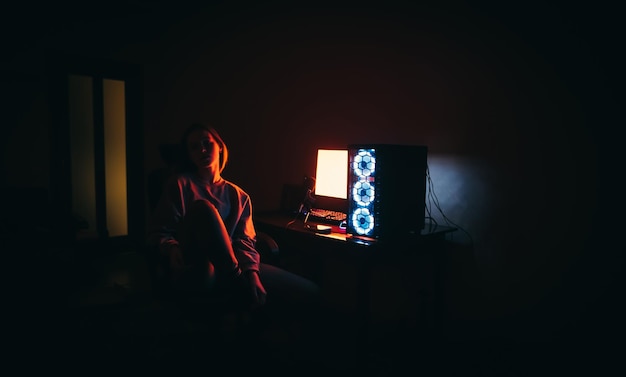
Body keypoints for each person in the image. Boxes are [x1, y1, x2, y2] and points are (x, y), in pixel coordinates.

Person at [147, 122, 322, 351]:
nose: (201, 150)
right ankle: (238, 285)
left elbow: (245, 241)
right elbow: (159, 231)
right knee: (203, 208)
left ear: (220, 147)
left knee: (310, 291)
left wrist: (253, 274)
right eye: (193, 147)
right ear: (188, 155)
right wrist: (170, 248)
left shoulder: (238, 195)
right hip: (196, 265)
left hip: (232, 265)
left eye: (206, 143)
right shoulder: (180, 185)